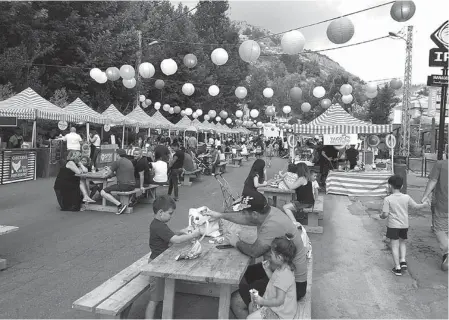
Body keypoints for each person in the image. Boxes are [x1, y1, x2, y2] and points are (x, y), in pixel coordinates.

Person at [204, 192, 308, 319]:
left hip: (295, 284)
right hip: (280, 268)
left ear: (254, 214)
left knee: (236, 301)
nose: (243, 214)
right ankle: (254, 305)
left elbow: (254, 252)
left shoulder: (272, 224)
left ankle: (256, 311)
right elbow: (244, 218)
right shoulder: (269, 212)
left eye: (245, 212)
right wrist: (220, 215)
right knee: (244, 274)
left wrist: (236, 242)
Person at [145, 195, 202, 319]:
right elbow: (175, 240)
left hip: (159, 261)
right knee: (154, 299)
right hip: (156, 266)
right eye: (170, 213)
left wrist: (182, 231)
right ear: (161, 212)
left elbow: (169, 235)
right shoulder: (159, 226)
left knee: (159, 294)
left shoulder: (159, 224)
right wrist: (193, 235)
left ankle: (165, 304)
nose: (171, 216)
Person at [380, 175, 429, 276]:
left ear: (389, 186)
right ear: (401, 186)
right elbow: (415, 207)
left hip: (393, 226)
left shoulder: (387, 199)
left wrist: (381, 216)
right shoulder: (406, 197)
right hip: (404, 225)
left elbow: (385, 214)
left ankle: (397, 268)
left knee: (394, 245)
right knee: (402, 242)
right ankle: (403, 261)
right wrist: (424, 205)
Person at [247, 234, 298, 320]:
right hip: (275, 307)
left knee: (249, 318)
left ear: (279, 257)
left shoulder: (284, 276)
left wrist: (262, 301)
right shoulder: (282, 268)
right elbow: (275, 282)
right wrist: (267, 270)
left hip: (280, 314)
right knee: (251, 306)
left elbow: (279, 301)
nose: (270, 255)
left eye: (272, 253)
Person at [422, 159, 448, 271]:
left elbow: (433, 180)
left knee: (440, 229)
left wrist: (425, 195)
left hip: (443, 204)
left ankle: (447, 251)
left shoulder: (441, 164)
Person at [100, 149, 136, 215]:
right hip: (132, 185)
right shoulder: (129, 162)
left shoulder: (117, 162)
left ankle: (120, 205)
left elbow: (107, 175)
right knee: (112, 188)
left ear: (118, 155)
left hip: (124, 185)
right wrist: (110, 171)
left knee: (103, 192)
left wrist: (106, 172)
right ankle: (125, 203)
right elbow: (118, 173)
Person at [282, 163, 312, 227]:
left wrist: (284, 179)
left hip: (305, 202)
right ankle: (295, 218)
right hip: (308, 200)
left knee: (285, 207)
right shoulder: (306, 178)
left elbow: (291, 187)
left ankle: (295, 223)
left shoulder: (301, 179)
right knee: (291, 202)